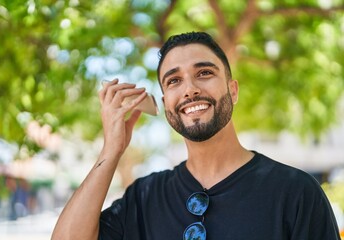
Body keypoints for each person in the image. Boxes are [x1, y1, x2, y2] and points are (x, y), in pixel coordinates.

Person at [51, 32, 341, 240]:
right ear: (165, 105)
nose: (189, 89)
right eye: (174, 80)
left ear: (233, 90)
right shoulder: (143, 198)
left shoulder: (296, 193)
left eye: (204, 73)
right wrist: (111, 151)